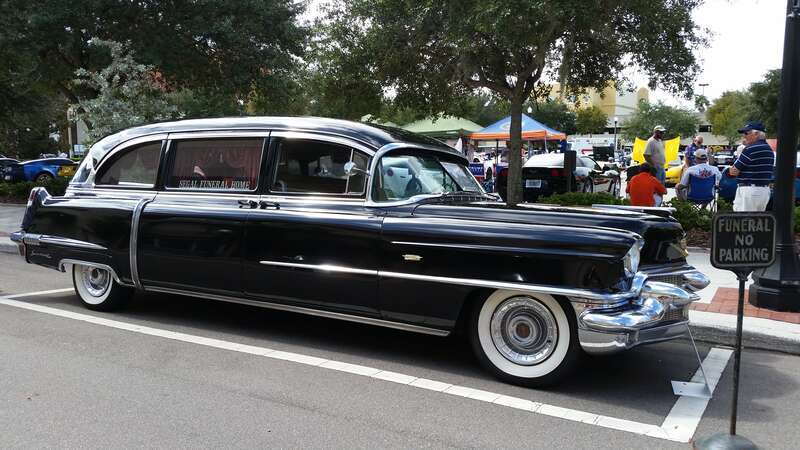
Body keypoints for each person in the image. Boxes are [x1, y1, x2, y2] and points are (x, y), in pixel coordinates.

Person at [729, 121, 775, 211]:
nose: (744, 136)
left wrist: (733, 170)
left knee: (743, 221)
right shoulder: (769, 150)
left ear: (756, 134)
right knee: (757, 221)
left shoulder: (750, 149)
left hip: (749, 190)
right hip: (764, 191)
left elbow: (734, 171)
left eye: (746, 133)